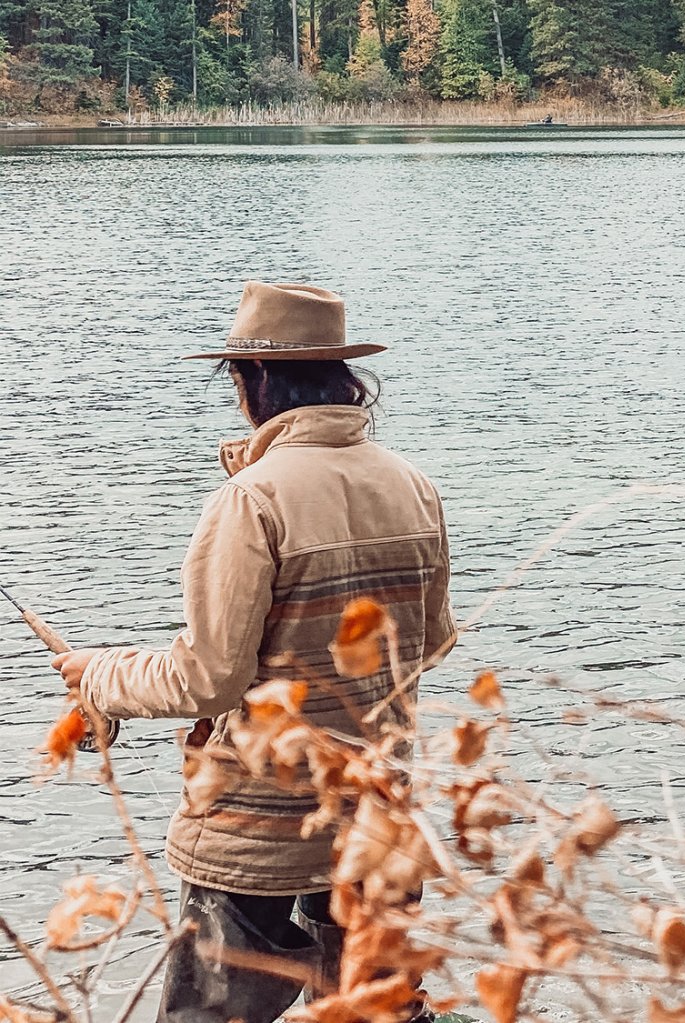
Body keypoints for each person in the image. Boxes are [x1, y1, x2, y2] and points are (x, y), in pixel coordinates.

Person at [51, 281, 455, 1023]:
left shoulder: (252, 500)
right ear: (341, 378)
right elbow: (429, 643)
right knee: (373, 1007)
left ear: (256, 381)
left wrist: (99, 674)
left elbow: (208, 677)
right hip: (376, 802)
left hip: (256, 821)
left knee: (210, 1013)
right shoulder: (414, 485)